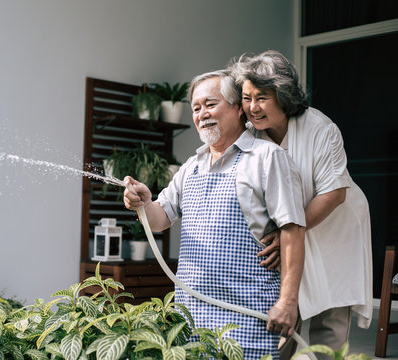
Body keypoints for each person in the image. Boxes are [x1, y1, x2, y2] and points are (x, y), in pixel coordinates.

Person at [123, 69, 306, 360]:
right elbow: (160, 219)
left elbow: (294, 231)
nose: (202, 114)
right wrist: (144, 203)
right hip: (190, 317)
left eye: (210, 104)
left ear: (238, 109)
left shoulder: (267, 158)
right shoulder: (191, 167)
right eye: (196, 108)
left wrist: (288, 302)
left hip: (247, 315)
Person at [232, 50, 373, 359]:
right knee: (283, 315)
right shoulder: (249, 135)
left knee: (330, 318)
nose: (252, 108)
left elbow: (334, 194)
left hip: (336, 224)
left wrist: (287, 233)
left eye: (262, 97)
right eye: (246, 97)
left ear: (284, 95)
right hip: (291, 230)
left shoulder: (320, 129)